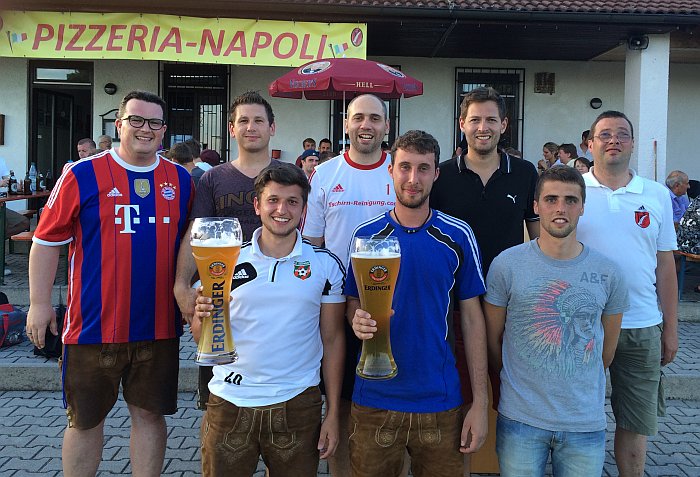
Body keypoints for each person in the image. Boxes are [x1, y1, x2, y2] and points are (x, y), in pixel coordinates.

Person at [26, 90, 194, 476]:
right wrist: (38, 303)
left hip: (159, 327)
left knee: (149, 416)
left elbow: (191, 242)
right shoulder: (81, 174)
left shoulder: (181, 180)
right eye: (136, 119)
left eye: (154, 122)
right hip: (92, 327)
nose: (145, 128)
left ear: (164, 130)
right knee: (84, 421)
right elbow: (46, 241)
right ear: (118, 125)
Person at [347, 130, 488, 476]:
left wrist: (481, 403)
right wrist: (356, 319)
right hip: (374, 399)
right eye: (405, 167)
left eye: (423, 168)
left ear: (436, 173)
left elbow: (472, 320)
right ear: (390, 170)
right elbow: (352, 303)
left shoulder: (458, 235)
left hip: (440, 401)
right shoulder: (366, 236)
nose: (413, 179)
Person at [194, 163, 346, 476]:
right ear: (257, 205)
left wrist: (332, 413)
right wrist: (201, 316)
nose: (282, 210)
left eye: (292, 202)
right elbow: (201, 338)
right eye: (273, 200)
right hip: (230, 400)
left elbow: (332, 340)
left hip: (297, 403)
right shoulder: (226, 259)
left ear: (303, 208)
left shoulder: (325, 265)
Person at [484, 166, 629, 476]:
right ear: (536, 206)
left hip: (584, 422)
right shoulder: (506, 265)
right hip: (521, 419)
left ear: (582, 207)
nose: (561, 208)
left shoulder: (609, 272)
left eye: (570, 200)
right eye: (551, 199)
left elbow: (606, 352)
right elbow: (493, 342)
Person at [430, 87, 539, 468]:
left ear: (504, 125)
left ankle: (508, 464)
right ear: (462, 124)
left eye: (491, 119)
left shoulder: (525, 173)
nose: (483, 127)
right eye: (475, 119)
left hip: (507, 305)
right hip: (454, 304)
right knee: (460, 392)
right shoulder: (442, 175)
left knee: (508, 390)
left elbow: (537, 240)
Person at [577, 110, 678, 477]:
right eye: (605, 134)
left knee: (635, 421)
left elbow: (665, 266)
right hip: (581, 325)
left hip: (641, 325)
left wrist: (671, 328)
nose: (614, 140)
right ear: (590, 144)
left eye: (622, 134)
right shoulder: (572, 191)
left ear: (633, 144)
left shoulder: (656, 194)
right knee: (577, 414)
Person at [302, 93, 395, 477]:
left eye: (374, 118)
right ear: (346, 124)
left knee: (392, 406)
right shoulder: (325, 174)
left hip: (390, 307)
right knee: (338, 404)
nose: (366, 125)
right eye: (358, 117)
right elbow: (312, 244)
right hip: (337, 307)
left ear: (386, 125)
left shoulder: (400, 171)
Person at [174, 90, 280, 410]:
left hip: (276, 295)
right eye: (243, 121)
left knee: (275, 387)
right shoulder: (213, 179)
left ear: (272, 128)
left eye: (258, 121)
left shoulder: (289, 176)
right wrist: (181, 284)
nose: (251, 127)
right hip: (222, 298)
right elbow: (196, 233)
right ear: (232, 129)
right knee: (218, 401)